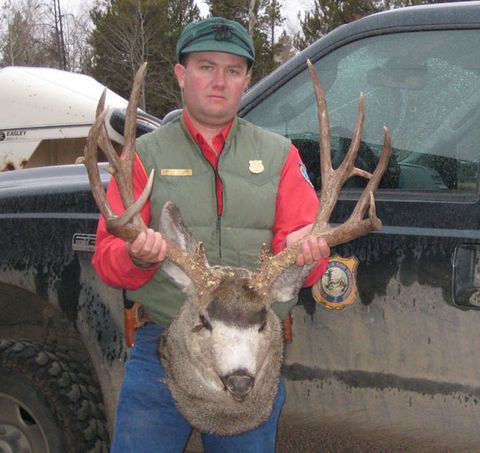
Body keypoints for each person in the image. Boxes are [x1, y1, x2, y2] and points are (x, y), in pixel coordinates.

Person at [91, 16, 330, 452]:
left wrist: (306, 254)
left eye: (233, 71)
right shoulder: (143, 155)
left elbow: (304, 254)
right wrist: (138, 256)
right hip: (163, 347)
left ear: (246, 80)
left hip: (250, 351)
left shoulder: (279, 155)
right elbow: (107, 258)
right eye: (206, 67)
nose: (219, 81)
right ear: (182, 75)